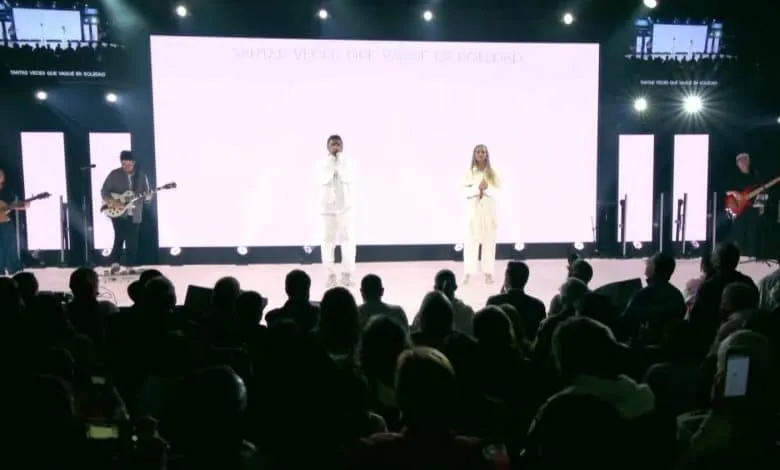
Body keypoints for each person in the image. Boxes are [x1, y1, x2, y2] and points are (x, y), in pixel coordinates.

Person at [100, 150, 151, 273]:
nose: (127, 166)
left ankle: (130, 265)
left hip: (135, 211)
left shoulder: (141, 176)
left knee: (133, 240)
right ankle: (115, 263)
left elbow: (146, 195)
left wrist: (148, 198)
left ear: (134, 163)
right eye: (124, 164)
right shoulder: (114, 174)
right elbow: (104, 191)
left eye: (129, 164)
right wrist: (113, 202)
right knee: (120, 235)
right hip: (118, 211)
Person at [318, 134, 356, 288]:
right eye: (332, 144)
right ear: (327, 147)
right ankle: (331, 275)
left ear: (342, 146)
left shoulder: (348, 162)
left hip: (345, 207)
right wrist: (331, 162)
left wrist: (340, 160)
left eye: (338, 144)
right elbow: (322, 179)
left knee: (347, 240)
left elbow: (349, 177)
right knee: (327, 242)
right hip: (327, 208)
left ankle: (346, 275)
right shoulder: (322, 163)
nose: (335, 147)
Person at [462, 144, 500, 284]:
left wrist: (487, 188)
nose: (481, 154)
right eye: (478, 152)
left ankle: (488, 274)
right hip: (474, 211)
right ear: (474, 154)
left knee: (489, 244)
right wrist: (477, 189)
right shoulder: (469, 172)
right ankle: (467, 273)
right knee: (470, 243)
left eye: (483, 152)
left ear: (486, 154)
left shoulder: (492, 173)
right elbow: (464, 191)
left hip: (488, 211)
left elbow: (499, 190)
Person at [726, 152, 769, 258]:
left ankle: (751, 257)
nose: (743, 162)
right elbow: (726, 191)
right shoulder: (734, 177)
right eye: (740, 160)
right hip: (739, 209)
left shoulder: (755, 175)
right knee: (739, 234)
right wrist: (735, 193)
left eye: (745, 159)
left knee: (752, 235)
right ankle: (738, 258)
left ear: (749, 161)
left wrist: (761, 205)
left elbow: (762, 191)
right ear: (737, 164)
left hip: (753, 209)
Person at [0, 168, 28, 275]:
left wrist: (22, 206)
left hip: (5, 221)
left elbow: (14, 205)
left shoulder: (7, 191)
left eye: (1, 175)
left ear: (3, 178)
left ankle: (13, 268)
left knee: (10, 245)